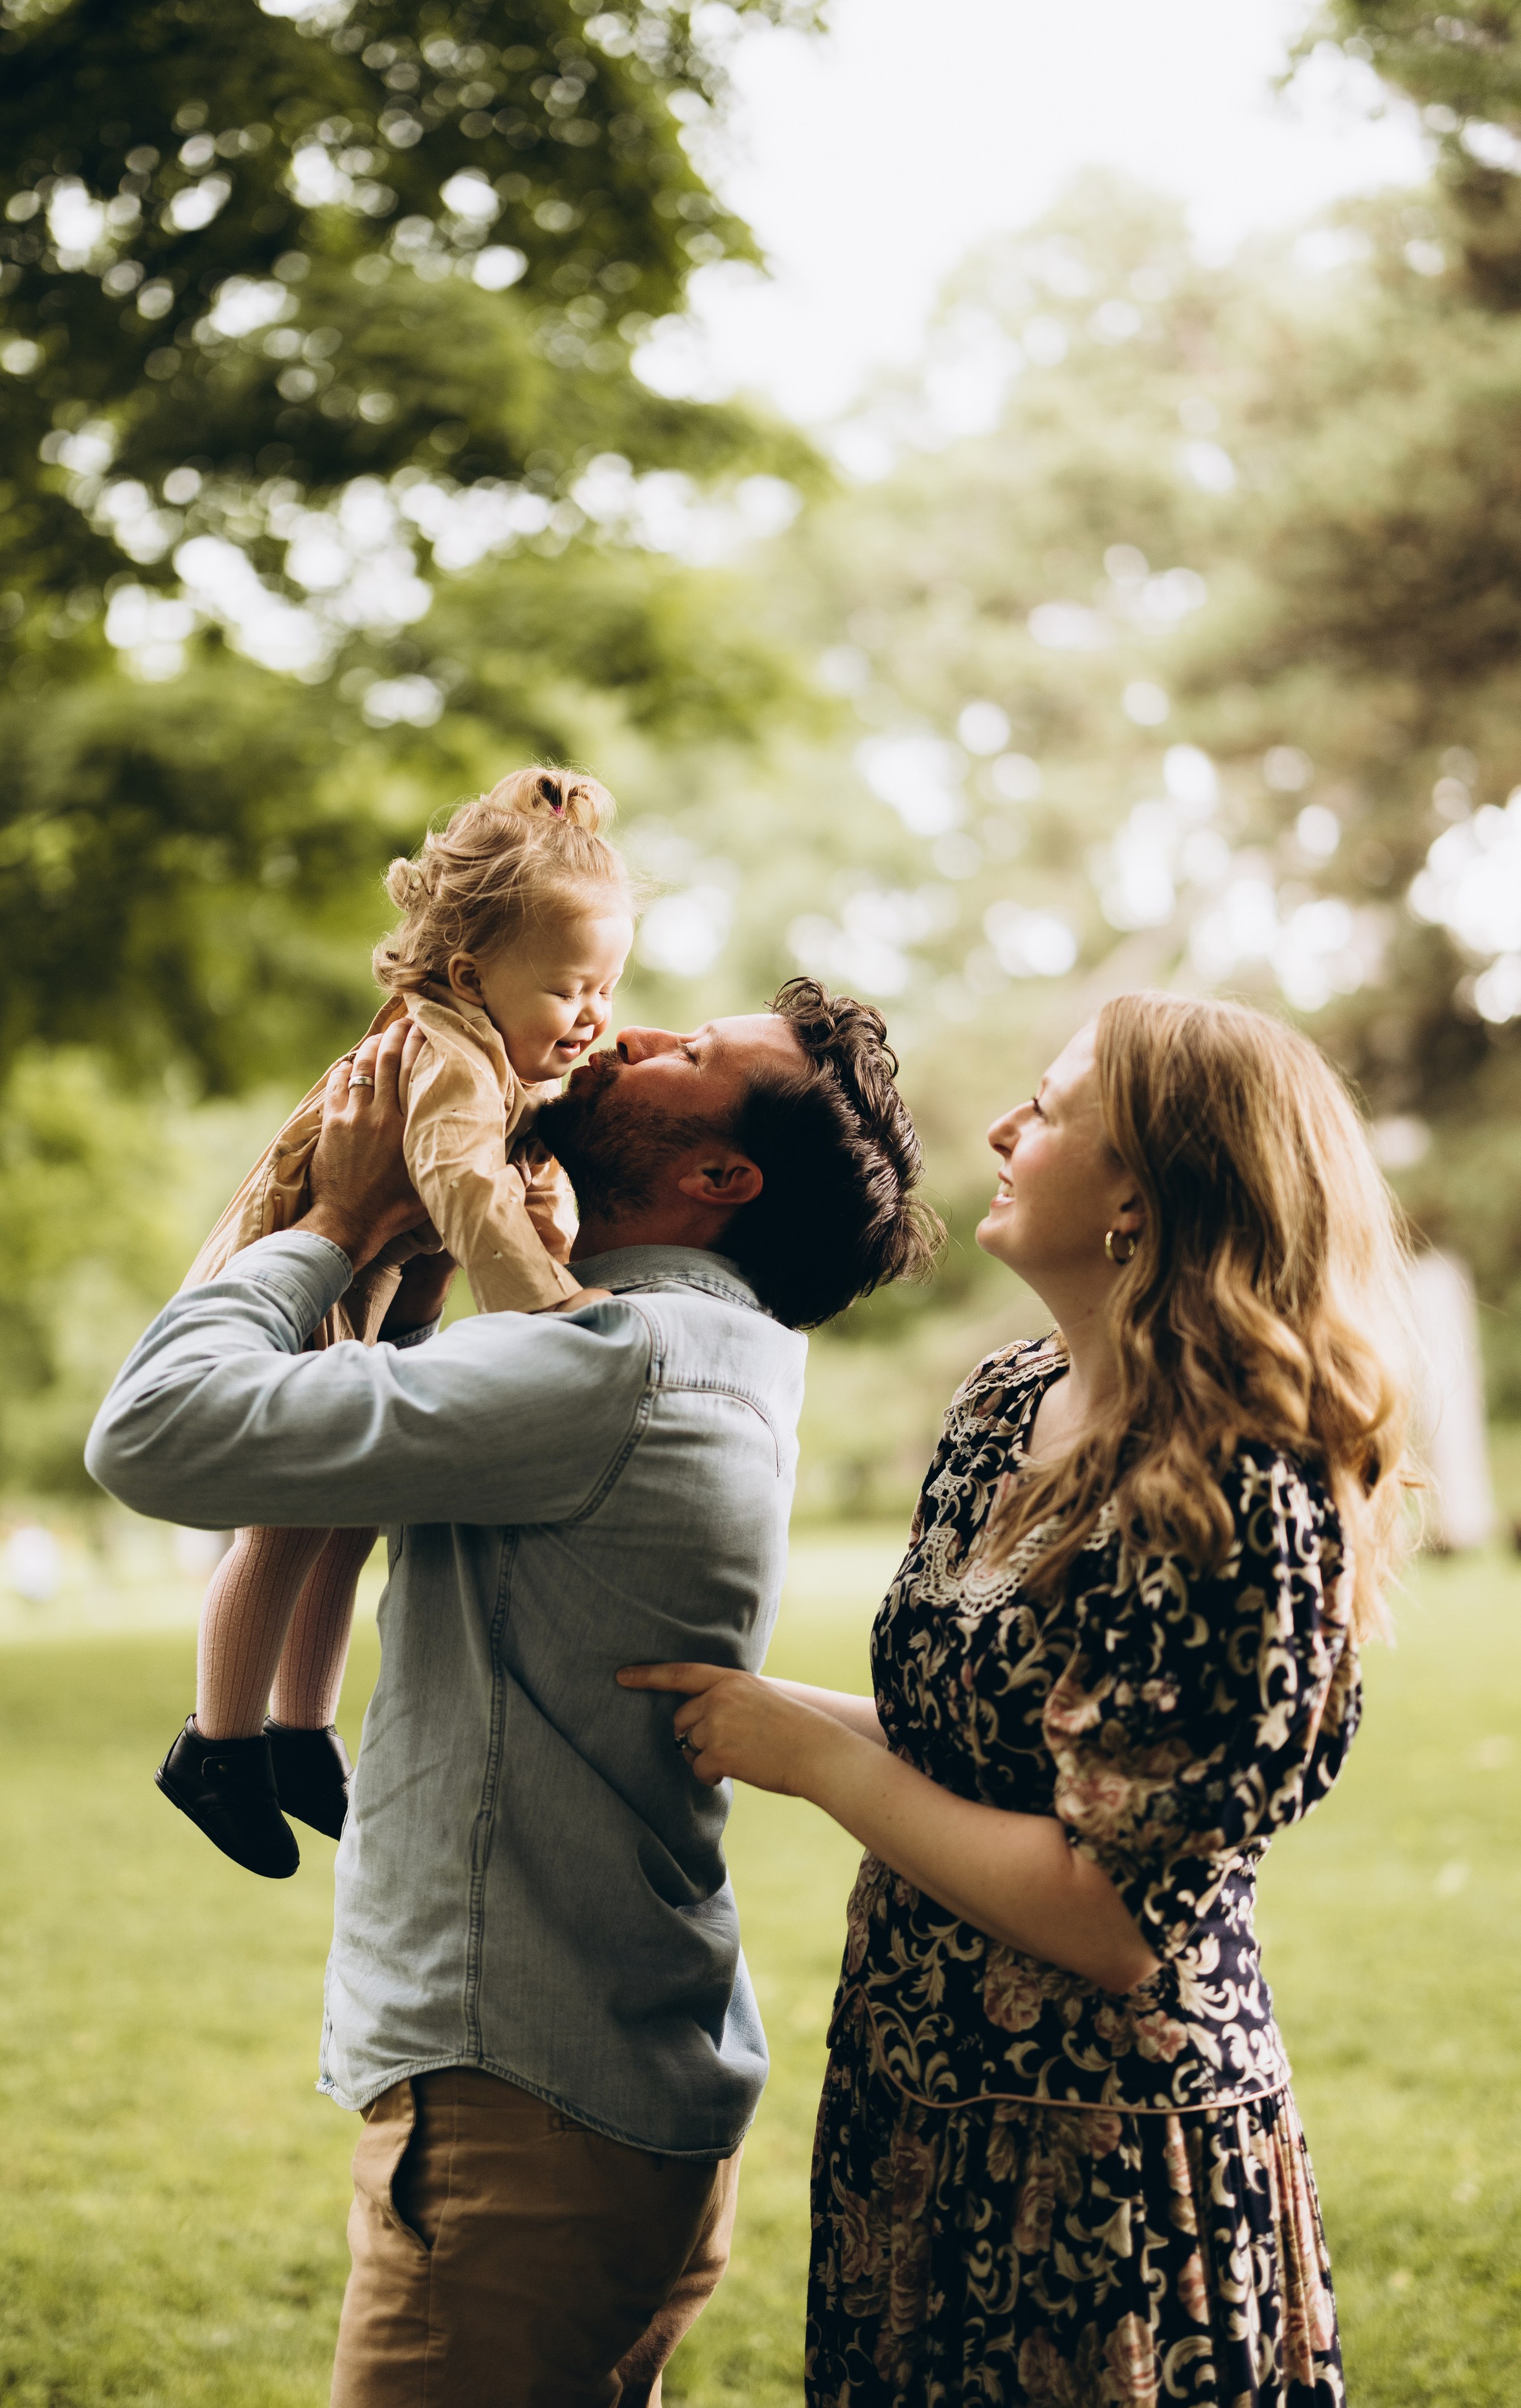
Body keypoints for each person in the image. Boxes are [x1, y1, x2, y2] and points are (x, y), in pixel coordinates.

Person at [85, 976, 940, 2408]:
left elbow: (155, 1434)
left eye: (689, 1053)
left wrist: (330, 1227)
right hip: (625, 2099)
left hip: (519, 2134)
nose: (636, 1029)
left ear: (717, 1175)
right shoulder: (721, 1352)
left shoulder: (607, 1368)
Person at [621, 990, 1415, 2408]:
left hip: (1100, 2164)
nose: (997, 1127)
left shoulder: (1241, 1482)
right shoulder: (1001, 1407)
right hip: (911, 2106)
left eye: (1045, 1110)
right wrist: (737, 1707)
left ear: (1142, 1192)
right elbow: (976, 1759)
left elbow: (1109, 1914)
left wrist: (809, 1759)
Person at [156, 765, 635, 1881]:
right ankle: (216, 1746)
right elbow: (463, 1190)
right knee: (291, 1517)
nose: (596, 1017)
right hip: (300, 1285)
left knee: (354, 1512)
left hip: (362, 1293)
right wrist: (553, 1306)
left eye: (609, 988)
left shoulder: (496, 1049)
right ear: (473, 976)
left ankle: (301, 1734)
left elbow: (517, 1167)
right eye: (573, 990)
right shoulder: (452, 1063)